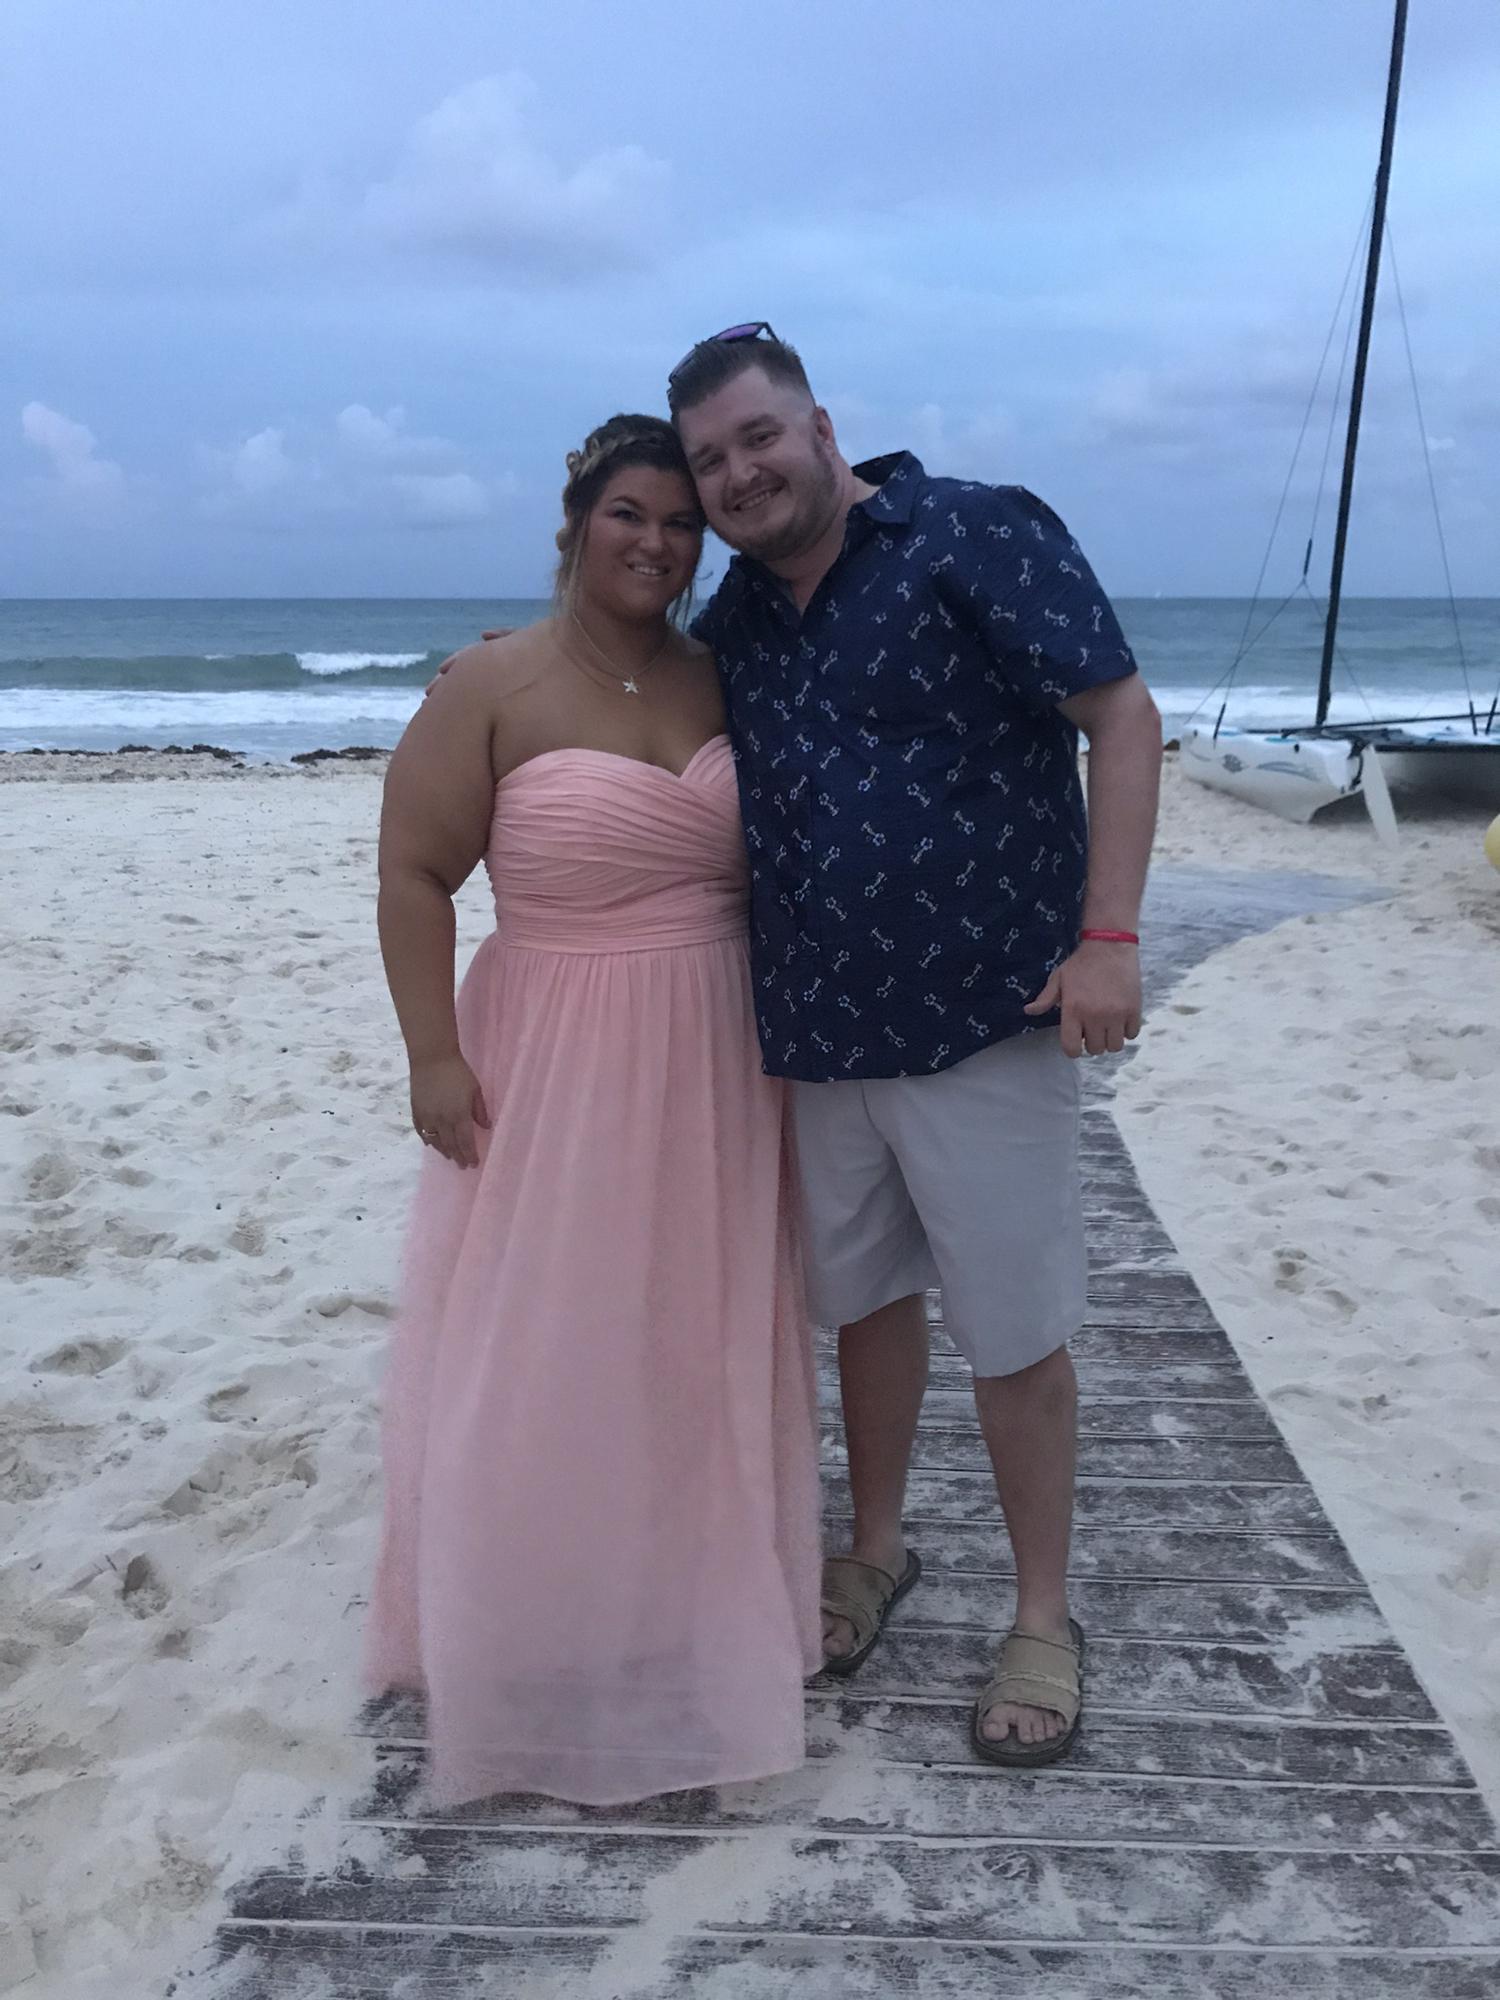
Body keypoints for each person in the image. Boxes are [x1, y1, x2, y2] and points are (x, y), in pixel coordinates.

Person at [666, 326, 1163, 1767]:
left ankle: (1044, 1615)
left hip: (986, 1017)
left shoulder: (972, 533)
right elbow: (635, 698)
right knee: (865, 1306)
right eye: (710, 460)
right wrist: (510, 670)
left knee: (1013, 1327)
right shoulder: (740, 619)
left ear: (822, 427)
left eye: (759, 436)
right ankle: (876, 1548)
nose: (740, 474)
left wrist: (1111, 938)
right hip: (821, 1032)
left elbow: (1121, 712)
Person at [365, 413, 822, 1808]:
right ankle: (522, 1602)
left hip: (719, 1050)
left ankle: (677, 1597)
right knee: (539, 1321)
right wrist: (431, 1055)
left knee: (689, 1320)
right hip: (551, 1050)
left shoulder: (727, 671)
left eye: (683, 524)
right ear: (575, 525)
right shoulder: (490, 683)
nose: (658, 543)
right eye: (630, 514)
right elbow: (413, 874)